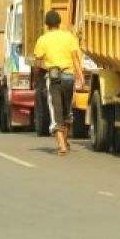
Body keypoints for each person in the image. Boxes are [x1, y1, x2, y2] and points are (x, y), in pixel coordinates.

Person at [32, 9, 84, 155]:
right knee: (67, 111)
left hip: (54, 79)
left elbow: (37, 63)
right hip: (69, 78)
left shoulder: (43, 39)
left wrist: (36, 79)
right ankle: (65, 141)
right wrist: (81, 77)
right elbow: (75, 59)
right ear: (60, 23)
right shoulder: (69, 37)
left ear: (46, 24)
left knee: (56, 112)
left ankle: (61, 146)